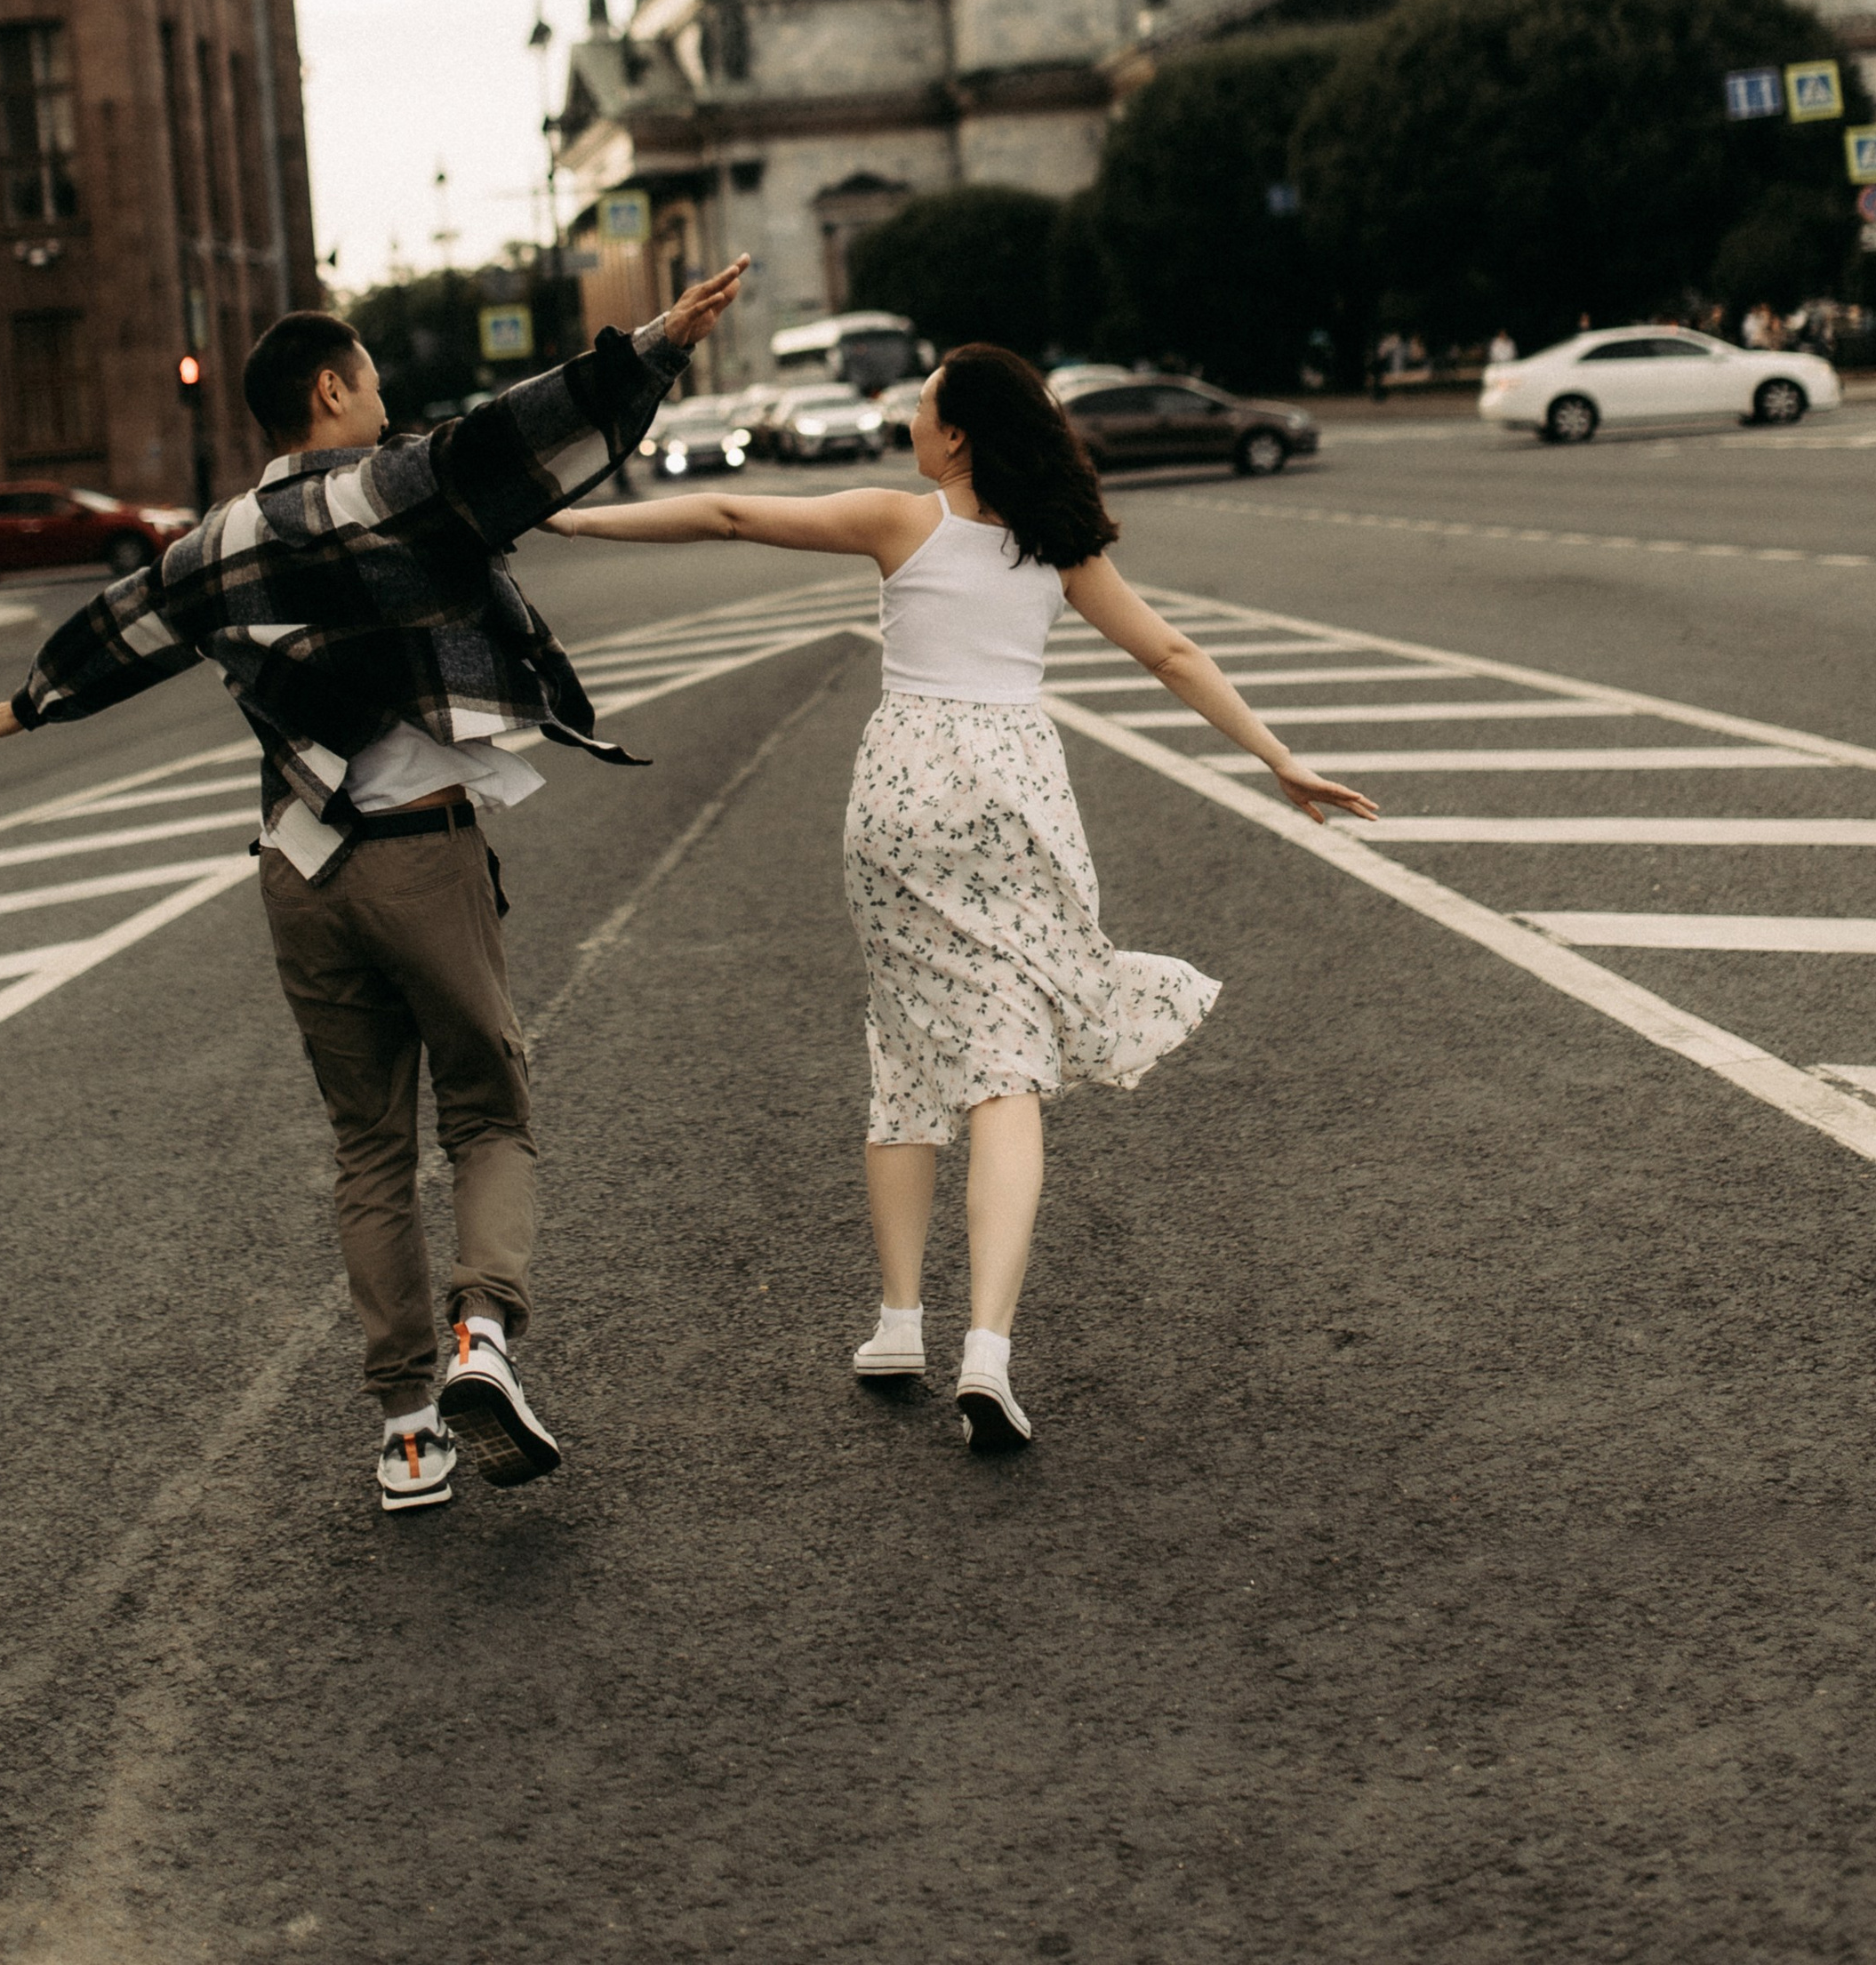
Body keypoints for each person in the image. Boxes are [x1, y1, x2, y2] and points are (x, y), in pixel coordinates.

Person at [0, 257, 749, 1516]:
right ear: (331, 389)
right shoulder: (396, 488)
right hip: (419, 855)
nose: (387, 401)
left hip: (297, 873)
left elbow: (120, 627)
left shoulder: (211, 543)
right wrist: (653, 345)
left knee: (366, 1147)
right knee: (486, 1109)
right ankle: (485, 1337)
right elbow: (523, 434)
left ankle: (408, 1432)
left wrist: (27, 705)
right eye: (372, 379)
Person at [547, 344, 1381, 1453]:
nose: (909, 422)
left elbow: (732, 516)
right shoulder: (1057, 548)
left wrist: (571, 521)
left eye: (923, 410)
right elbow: (1171, 655)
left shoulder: (903, 522)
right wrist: (1279, 758)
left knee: (903, 1041)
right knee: (1009, 1063)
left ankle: (900, 1323)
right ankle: (985, 1348)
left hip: (898, 794)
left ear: (958, 438)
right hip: (1013, 791)